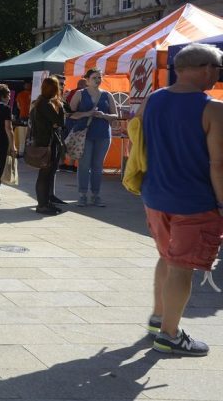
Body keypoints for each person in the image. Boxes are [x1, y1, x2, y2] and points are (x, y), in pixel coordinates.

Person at [137, 43, 223, 357]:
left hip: (156, 195)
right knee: (182, 266)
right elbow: (218, 164)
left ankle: (159, 317)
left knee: (167, 256)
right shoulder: (213, 108)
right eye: (218, 69)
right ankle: (170, 335)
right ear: (206, 69)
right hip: (195, 200)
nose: (217, 75)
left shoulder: (153, 99)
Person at [68, 67, 117, 207]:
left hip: (103, 134)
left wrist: (103, 115)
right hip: (84, 134)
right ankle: (82, 195)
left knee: (97, 166)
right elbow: (70, 113)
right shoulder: (80, 93)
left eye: (99, 77)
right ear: (87, 80)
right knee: (84, 165)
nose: (97, 80)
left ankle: (96, 195)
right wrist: (86, 113)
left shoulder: (107, 95)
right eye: (94, 77)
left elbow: (115, 115)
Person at [29, 76, 65, 215]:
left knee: (48, 174)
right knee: (45, 174)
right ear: (55, 89)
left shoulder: (41, 102)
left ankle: (46, 203)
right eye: (60, 86)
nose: (61, 88)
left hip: (46, 142)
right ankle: (42, 205)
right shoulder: (45, 104)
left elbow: (56, 123)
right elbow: (60, 122)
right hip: (47, 143)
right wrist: (60, 105)